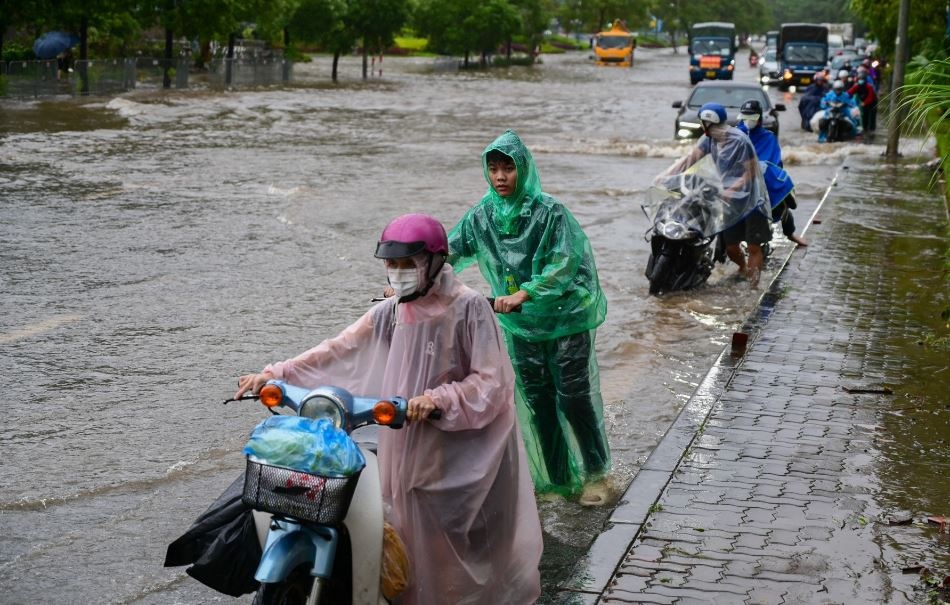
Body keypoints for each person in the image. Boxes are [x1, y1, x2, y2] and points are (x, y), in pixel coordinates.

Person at [234, 214, 543, 604]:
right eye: (391, 264)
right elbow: (339, 349)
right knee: (405, 523)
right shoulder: (392, 310)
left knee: (455, 536)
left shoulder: (468, 308)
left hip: (459, 445)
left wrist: (438, 399)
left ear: (432, 262)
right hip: (403, 436)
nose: (398, 273)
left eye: (407, 264)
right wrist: (275, 373)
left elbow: (491, 381)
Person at [446, 129, 611, 505]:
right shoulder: (481, 216)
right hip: (521, 325)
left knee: (574, 399)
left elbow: (565, 262)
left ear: (523, 169)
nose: (501, 177)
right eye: (494, 169)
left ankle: (597, 473)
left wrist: (527, 292)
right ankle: (559, 480)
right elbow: (450, 250)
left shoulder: (550, 212)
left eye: (508, 168)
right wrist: (414, 273)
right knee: (538, 403)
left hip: (566, 317)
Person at [674, 103, 770, 286]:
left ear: (709, 123)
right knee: (731, 247)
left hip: (751, 200)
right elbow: (690, 161)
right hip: (728, 201)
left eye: (703, 122)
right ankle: (743, 268)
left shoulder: (740, 140)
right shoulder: (708, 140)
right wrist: (667, 177)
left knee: (753, 246)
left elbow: (750, 172)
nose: (702, 126)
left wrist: (732, 188)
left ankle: (753, 288)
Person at [737, 99, 808, 247]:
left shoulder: (768, 137)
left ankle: (790, 233)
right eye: (745, 118)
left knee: (783, 199)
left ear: (760, 119)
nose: (748, 122)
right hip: (736, 178)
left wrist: (754, 169)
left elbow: (770, 161)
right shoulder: (735, 134)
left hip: (763, 178)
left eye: (752, 118)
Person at [848, 66, 878, 132]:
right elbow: (849, 92)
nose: (861, 81)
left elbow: (870, 97)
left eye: (862, 79)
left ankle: (872, 129)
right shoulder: (857, 86)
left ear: (865, 80)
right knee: (864, 115)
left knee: (872, 115)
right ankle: (865, 128)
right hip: (864, 103)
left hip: (872, 103)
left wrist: (864, 103)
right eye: (859, 79)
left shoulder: (869, 87)